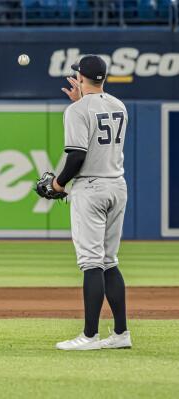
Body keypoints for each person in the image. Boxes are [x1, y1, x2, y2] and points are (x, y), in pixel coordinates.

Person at [52, 55, 131, 350]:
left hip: (91, 187)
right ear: (104, 78)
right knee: (109, 261)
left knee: (91, 263)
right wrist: (81, 101)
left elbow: (77, 156)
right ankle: (121, 333)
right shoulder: (119, 105)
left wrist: (57, 184)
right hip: (117, 185)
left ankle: (89, 336)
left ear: (81, 78)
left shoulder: (77, 110)